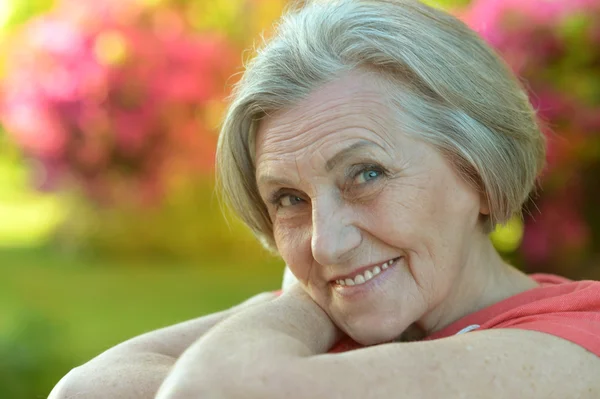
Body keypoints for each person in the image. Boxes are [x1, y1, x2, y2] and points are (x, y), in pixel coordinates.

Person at [50, 0, 600, 398]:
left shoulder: (574, 343)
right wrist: (309, 305)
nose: (326, 243)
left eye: (365, 173)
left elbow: (215, 391)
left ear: (477, 172)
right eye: (289, 198)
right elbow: (83, 391)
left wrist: (301, 305)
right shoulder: (314, 336)